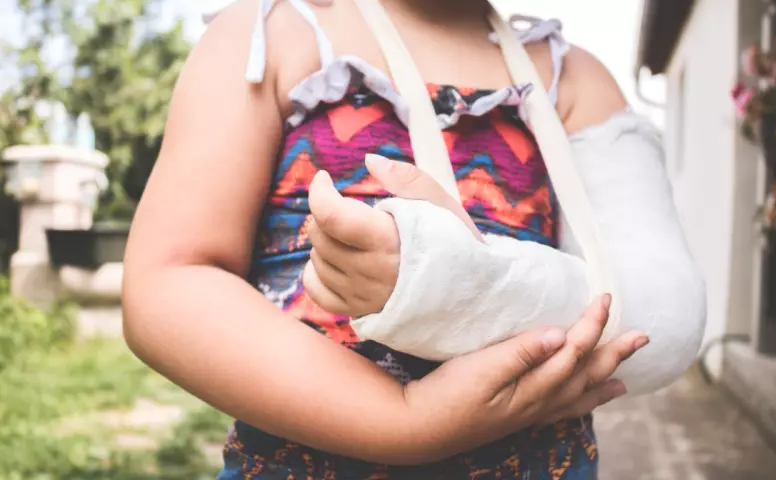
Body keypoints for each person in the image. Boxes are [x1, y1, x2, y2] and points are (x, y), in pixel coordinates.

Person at [121, 0, 653, 478]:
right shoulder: (271, 38)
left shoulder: (571, 79)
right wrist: (405, 422)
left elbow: (650, 302)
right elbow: (171, 280)